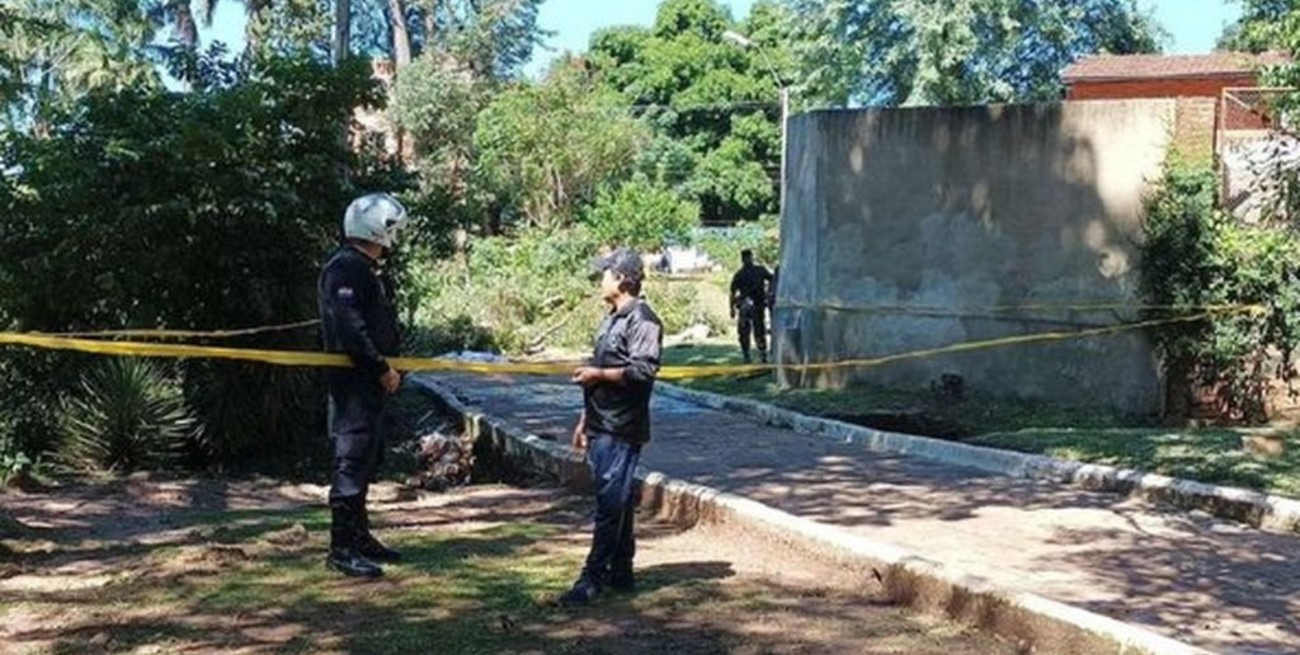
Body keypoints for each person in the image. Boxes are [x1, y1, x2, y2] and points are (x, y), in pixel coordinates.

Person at [559, 247, 663, 607]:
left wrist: (597, 374)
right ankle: (621, 570)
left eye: (605, 273)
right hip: (600, 423)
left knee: (610, 501)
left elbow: (643, 371)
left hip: (622, 426)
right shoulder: (612, 319)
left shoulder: (643, 320)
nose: (600, 279)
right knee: (616, 499)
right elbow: (599, 370)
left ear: (621, 279)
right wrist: (584, 418)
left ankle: (593, 578)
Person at [317, 192, 408, 579]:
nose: (395, 236)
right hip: (355, 384)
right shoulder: (346, 268)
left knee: (366, 458)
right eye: (392, 228)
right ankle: (341, 548)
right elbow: (350, 328)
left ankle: (359, 537)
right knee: (351, 460)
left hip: (367, 384)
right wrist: (381, 368)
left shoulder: (362, 268)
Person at [730, 249, 773, 363]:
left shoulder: (757, 271)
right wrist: (731, 308)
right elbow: (733, 292)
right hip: (749, 305)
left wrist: (769, 293)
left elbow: (772, 280)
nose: (747, 260)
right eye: (746, 258)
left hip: (755, 305)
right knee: (747, 331)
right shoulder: (741, 274)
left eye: (748, 257)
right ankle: (750, 355)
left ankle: (761, 354)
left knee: (757, 330)